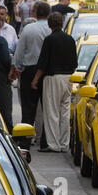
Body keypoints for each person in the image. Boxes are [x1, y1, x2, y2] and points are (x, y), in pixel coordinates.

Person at [31, 12, 77, 153]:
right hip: (68, 78)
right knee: (64, 111)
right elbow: (75, 62)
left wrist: (35, 79)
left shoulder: (49, 39)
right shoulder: (70, 39)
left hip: (53, 77)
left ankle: (53, 144)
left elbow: (43, 63)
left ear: (49, 25)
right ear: (62, 23)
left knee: (51, 112)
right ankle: (64, 144)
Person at [9, 1, 52, 150]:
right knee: (47, 108)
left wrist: (15, 68)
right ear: (49, 14)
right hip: (47, 72)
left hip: (30, 70)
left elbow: (19, 52)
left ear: (34, 13)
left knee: (28, 108)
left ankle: (25, 141)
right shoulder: (52, 29)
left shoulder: (28, 29)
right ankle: (45, 141)